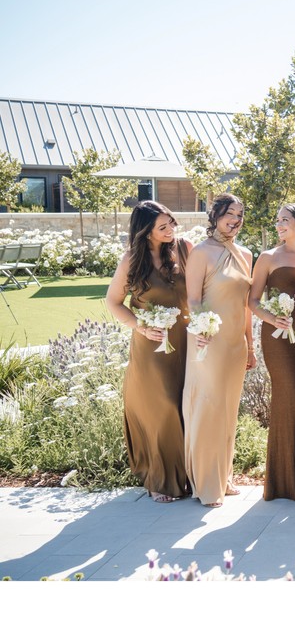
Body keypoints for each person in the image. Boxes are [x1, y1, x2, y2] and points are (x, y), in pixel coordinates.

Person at [105, 202, 192, 503]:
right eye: (163, 227)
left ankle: (189, 477)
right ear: (145, 231)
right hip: (151, 345)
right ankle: (160, 479)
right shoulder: (131, 260)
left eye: (171, 223)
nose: (171, 231)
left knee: (184, 406)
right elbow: (113, 302)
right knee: (163, 407)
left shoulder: (181, 250)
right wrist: (140, 326)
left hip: (184, 342)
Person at [183, 194, 255, 508]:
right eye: (230, 214)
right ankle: (207, 483)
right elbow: (194, 300)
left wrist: (251, 345)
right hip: (207, 342)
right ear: (216, 215)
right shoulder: (201, 252)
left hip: (235, 344)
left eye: (240, 214)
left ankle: (224, 476)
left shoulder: (246, 254)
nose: (235, 220)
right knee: (208, 408)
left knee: (227, 411)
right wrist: (199, 329)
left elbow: (246, 307)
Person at [247, 204, 295, 501]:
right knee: (290, 398)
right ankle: (287, 480)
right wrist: (272, 318)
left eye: (284, 220)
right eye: (277, 221)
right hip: (278, 336)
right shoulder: (268, 258)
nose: (279, 225)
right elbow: (253, 300)